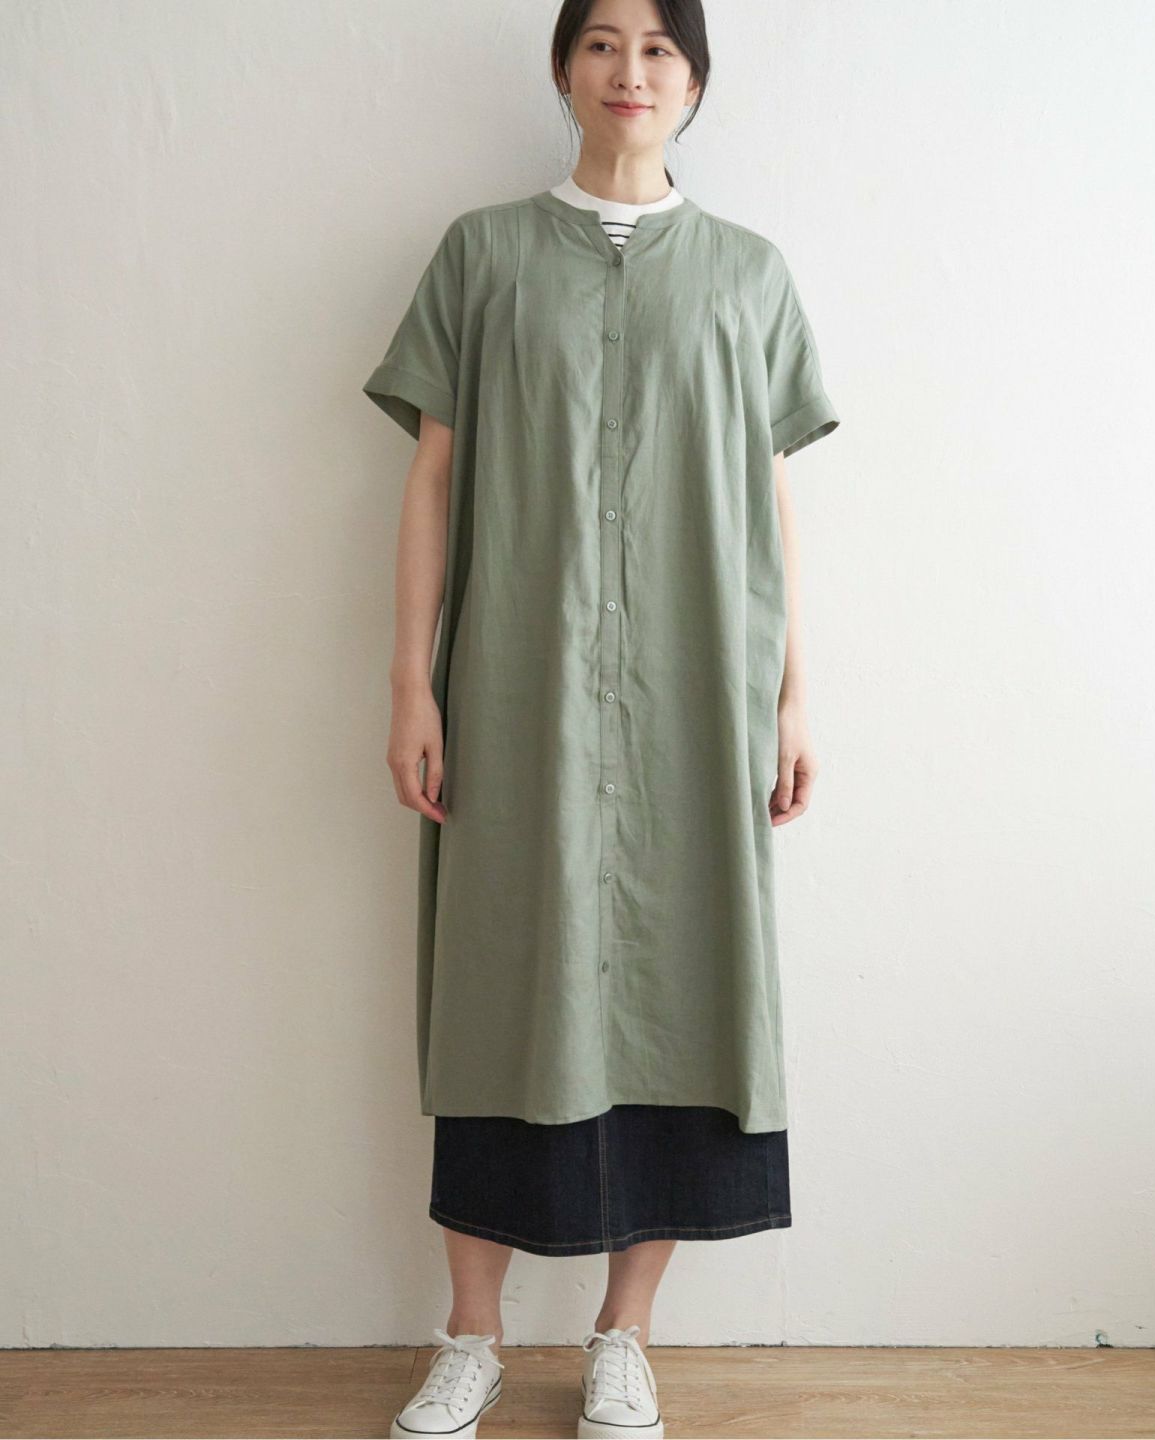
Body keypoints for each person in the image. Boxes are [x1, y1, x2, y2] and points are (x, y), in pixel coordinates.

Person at [362, 1, 840, 1435]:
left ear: (695, 81)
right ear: (566, 67)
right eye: (603, 43)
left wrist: (794, 691)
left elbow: (770, 499)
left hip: (702, 691)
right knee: (501, 978)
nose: (631, 71)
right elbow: (432, 479)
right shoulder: (483, 257)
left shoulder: (750, 275)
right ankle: (473, 1335)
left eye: (659, 48)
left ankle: (625, 1335)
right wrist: (412, 681)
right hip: (515, 690)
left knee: (689, 975)